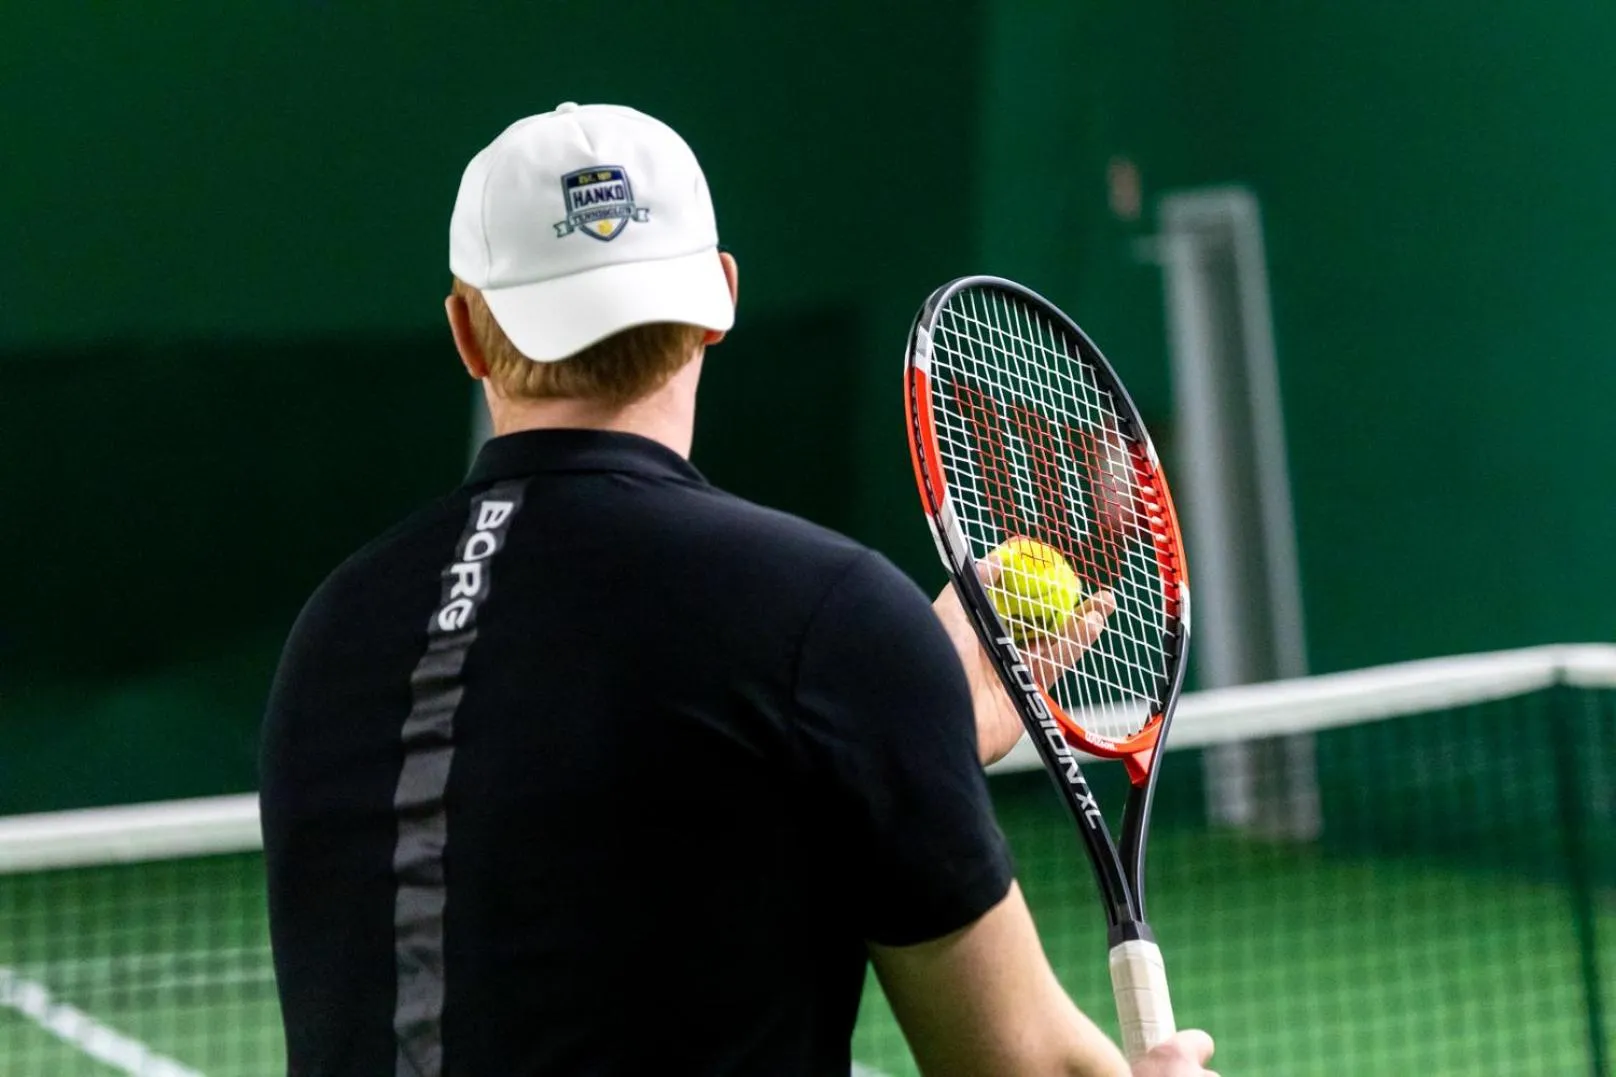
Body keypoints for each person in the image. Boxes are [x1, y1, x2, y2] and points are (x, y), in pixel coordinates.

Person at [259, 102, 1217, 1077]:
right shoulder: (828, 618)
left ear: (466, 329)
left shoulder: (332, 634)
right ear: (719, 298)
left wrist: (900, 747)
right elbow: (1017, 1066)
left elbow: (566, 884)